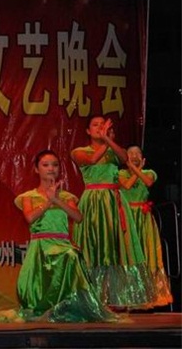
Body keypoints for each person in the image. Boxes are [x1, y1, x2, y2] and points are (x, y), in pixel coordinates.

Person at [15, 150, 116, 322]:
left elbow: (78, 217)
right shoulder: (29, 196)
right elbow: (30, 218)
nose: (51, 169)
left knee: (72, 255)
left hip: (62, 244)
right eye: (45, 165)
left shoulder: (66, 197)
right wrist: (49, 201)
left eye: (55, 165)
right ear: (37, 169)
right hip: (41, 247)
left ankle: (71, 306)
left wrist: (57, 200)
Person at [70, 115, 153, 308]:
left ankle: (115, 297)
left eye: (103, 125)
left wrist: (107, 139)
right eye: (96, 125)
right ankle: (91, 296)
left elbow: (125, 158)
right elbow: (92, 160)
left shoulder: (113, 150)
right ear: (88, 131)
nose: (100, 128)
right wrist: (106, 140)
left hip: (113, 201)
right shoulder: (79, 151)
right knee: (93, 245)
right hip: (93, 200)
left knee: (115, 246)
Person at [118, 145, 173, 307]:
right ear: (125, 157)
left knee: (147, 253)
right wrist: (135, 169)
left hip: (143, 218)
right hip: (128, 217)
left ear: (143, 157)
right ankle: (129, 296)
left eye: (138, 153)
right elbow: (127, 186)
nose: (134, 155)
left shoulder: (149, 172)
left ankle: (148, 295)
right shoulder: (120, 174)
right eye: (131, 153)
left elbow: (148, 182)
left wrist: (137, 169)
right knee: (129, 255)